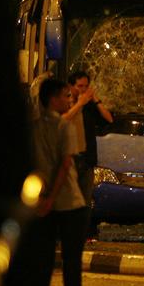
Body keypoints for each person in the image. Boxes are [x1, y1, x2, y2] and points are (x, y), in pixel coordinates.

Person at [33, 78, 89, 286]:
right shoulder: (65, 127)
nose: (69, 100)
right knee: (71, 259)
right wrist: (53, 197)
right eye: (66, 96)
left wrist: (41, 199)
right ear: (53, 99)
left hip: (43, 203)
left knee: (43, 257)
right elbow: (66, 164)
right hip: (68, 202)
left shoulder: (32, 127)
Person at [63, 70, 113, 219]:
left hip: (87, 159)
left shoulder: (90, 106)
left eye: (86, 86)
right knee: (68, 201)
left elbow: (109, 119)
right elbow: (62, 121)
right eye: (79, 86)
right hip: (69, 159)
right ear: (70, 86)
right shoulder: (65, 103)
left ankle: (82, 233)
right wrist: (79, 104)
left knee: (85, 201)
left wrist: (96, 100)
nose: (83, 90)